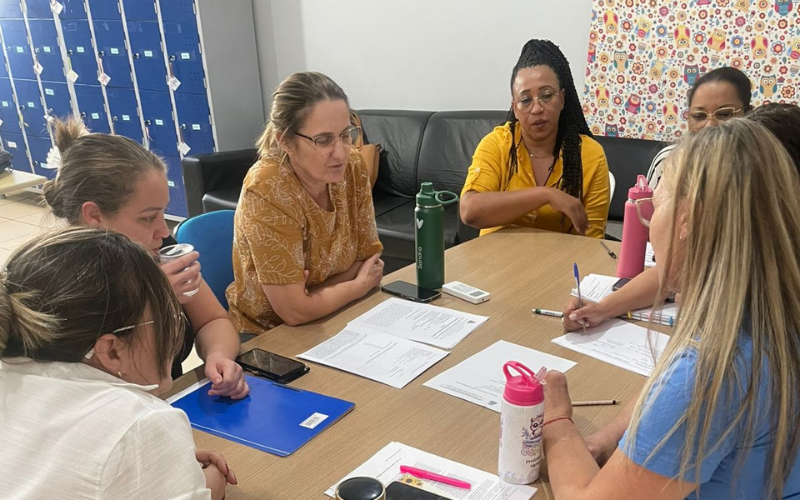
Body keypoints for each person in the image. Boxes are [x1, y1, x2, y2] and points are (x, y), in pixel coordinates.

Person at [541, 120, 800, 499]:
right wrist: (610, 441)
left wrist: (557, 421)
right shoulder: (771, 319)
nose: (648, 222)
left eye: (655, 205)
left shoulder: (712, 370)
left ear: (685, 221)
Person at [0, 227, 236, 499]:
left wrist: (158, 464)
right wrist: (210, 486)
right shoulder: (141, 423)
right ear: (111, 351)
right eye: (166, 315)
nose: (176, 328)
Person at [42, 119, 247, 398]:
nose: (163, 231)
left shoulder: (157, 250)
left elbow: (212, 320)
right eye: (149, 217)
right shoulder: (56, 286)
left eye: (163, 212)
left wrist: (218, 355)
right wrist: (151, 297)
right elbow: (94, 390)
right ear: (94, 216)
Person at [562, 66, 756, 332]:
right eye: (699, 116)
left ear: (750, 113)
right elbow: (669, 269)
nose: (710, 125)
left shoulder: (759, 183)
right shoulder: (672, 164)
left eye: (724, 114)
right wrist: (602, 309)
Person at [226, 72, 383, 333]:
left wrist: (311, 293)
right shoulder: (267, 187)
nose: (341, 152)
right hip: (268, 333)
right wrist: (355, 285)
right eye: (323, 140)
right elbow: (294, 312)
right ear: (285, 141)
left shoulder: (353, 167)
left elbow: (370, 262)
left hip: (341, 313)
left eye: (346, 135)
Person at [460, 39, 610, 239]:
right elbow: (470, 211)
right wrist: (545, 195)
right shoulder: (497, 144)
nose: (537, 108)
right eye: (525, 100)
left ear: (562, 99)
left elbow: (591, 242)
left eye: (547, 95)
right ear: (515, 108)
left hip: (557, 265)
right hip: (493, 262)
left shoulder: (590, 154)